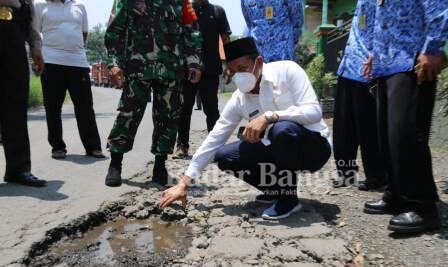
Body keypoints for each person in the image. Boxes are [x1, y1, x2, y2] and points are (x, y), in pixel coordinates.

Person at [159, 38, 332, 220]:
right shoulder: (239, 99)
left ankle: (288, 200)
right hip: (278, 148)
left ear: (258, 62)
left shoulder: (287, 71)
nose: (237, 76)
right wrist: (183, 183)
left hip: (314, 147)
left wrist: (270, 116)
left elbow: (314, 111)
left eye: (241, 69)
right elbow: (215, 137)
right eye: (232, 72)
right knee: (224, 156)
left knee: (281, 130)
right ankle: (276, 190)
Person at [363, 0, 448, 234]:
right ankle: (395, 194)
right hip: (385, 64)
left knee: (405, 134)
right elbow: (385, 23)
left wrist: (433, 47)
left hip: (411, 59)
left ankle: (422, 206)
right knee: (387, 136)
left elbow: (439, 7)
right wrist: (374, 55)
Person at [104, 0, 203, 187]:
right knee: (128, 113)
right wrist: (114, 62)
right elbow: (114, 30)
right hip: (138, 66)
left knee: (168, 117)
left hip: (170, 68)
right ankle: (115, 163)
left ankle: (160, 165)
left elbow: (192, 31)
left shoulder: (182, 2)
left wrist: (194, 61)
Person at [34, 0, 104, 160]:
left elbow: (84, 32)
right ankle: (58, 147)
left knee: (85, 106)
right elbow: (34, 33)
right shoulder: (39, 5)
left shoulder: (79, 6)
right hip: (51, 61)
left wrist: (73, 47)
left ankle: (93, 147)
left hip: (77, 61)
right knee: (52, 107)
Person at [332, 0, 386, 191]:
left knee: (369, 128)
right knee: (343, 126)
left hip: (367, 69)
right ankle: (346, 173)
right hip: (348, 67)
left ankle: (377, 176)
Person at [175, 0, 231, 158]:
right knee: (184, 108)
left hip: (210, 69)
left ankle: (216, 147)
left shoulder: (218, 11)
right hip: (187, 69)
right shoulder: (183, 9)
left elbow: (225, 39)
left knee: (211, 109)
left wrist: (231, 63)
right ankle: (182, 146)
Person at [0, 0, 46, 186]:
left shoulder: (26, 2)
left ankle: (18, 170)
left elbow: (32, 27)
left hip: (15, 53)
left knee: (16, 111)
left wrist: (36, 50)